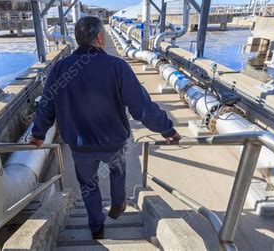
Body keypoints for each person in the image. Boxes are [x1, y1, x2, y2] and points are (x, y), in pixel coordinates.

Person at [29, 16, 181, 239]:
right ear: (100, 38)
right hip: (114, 142)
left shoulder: (59, 69)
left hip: (80, 146)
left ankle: (96, 226)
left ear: (77, 39)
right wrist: (167, 129)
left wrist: (38, 134)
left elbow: (46, 105)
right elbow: (141, 106)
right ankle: (118, 204)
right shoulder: (117, 66)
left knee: (88, 186)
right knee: (118, 173)